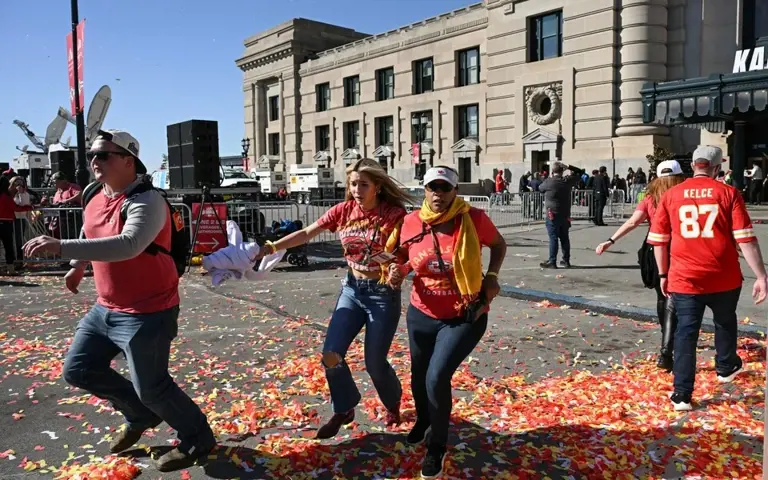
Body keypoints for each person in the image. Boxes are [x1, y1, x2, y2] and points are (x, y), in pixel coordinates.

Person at [23, 130, 216, 471]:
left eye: (104, 155)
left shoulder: (147, 200)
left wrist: (60, 246)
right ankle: (139, 414)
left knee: (153, 387)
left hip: (149, 310)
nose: (95, 161)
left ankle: (198, 437)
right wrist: (77, 267)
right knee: (78, 369)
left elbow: (128, 245)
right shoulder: (95, 193)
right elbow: (90, 229)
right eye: (93, 155)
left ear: (129, 161)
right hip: (106, 308)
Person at [257, 158, 413, 439]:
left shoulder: (393, 215)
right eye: (353, 183)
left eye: (363, 184)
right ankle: (344, 408)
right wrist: (272, 246)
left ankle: (392, 404)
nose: (356, 190)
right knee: (331, 354)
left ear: (377, 186)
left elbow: (405, 251)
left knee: (375, 363)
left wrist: (397, 269)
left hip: (382, 295)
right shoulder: (343, 212)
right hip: (352, 291)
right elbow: (307, 233)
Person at [386, 166, 507, 479]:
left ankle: (436, 446)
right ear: (424, 190)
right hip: (421, 313)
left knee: (436, 377)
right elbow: (398, 257)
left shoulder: (473, 218)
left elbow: (498, 245)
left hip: (463, 314)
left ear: (455, 191)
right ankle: (425, 420)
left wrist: (491, 276)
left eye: (444, 188)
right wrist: (397, 270)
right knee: (418, 376)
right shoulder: (411, 222)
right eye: (432, 188)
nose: (438, 194)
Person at [648, 146, 768, 411]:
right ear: (716, 168)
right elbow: (745, 238)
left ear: (693, 166)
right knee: (725, 320)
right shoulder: (728, 193)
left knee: (686, 332)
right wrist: (761, 275)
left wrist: (663, 274)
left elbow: (659, 241)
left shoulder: (671, 195)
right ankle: (725, 366)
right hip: (723, 275)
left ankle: (682, 394)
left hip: (685, 276)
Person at [595, 160, 686, 371]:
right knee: (683, 296)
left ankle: (667, 340)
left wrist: (610, 240)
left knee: (662, 296)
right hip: (682, 246)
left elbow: (632, 222)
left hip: (654, 246)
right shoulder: (683, 196)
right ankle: (672, 343)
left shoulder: (650, 198)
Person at [538, 162, 582, 269]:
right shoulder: (567, 181)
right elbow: (581, 172)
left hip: (552, 214)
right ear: (562, 171)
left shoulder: (549, 181)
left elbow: (540, 188)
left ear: (552, 172)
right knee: (564, 238)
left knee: (553, 238)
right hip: (565, 214)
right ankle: (566, 260)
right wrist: (569, 167)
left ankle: (552, 261)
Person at [0, 176, 32, 275]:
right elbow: (16, 208)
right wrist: (29, 207)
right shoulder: (5, 196)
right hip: (6, 223)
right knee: (8, 246)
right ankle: (10, 268)